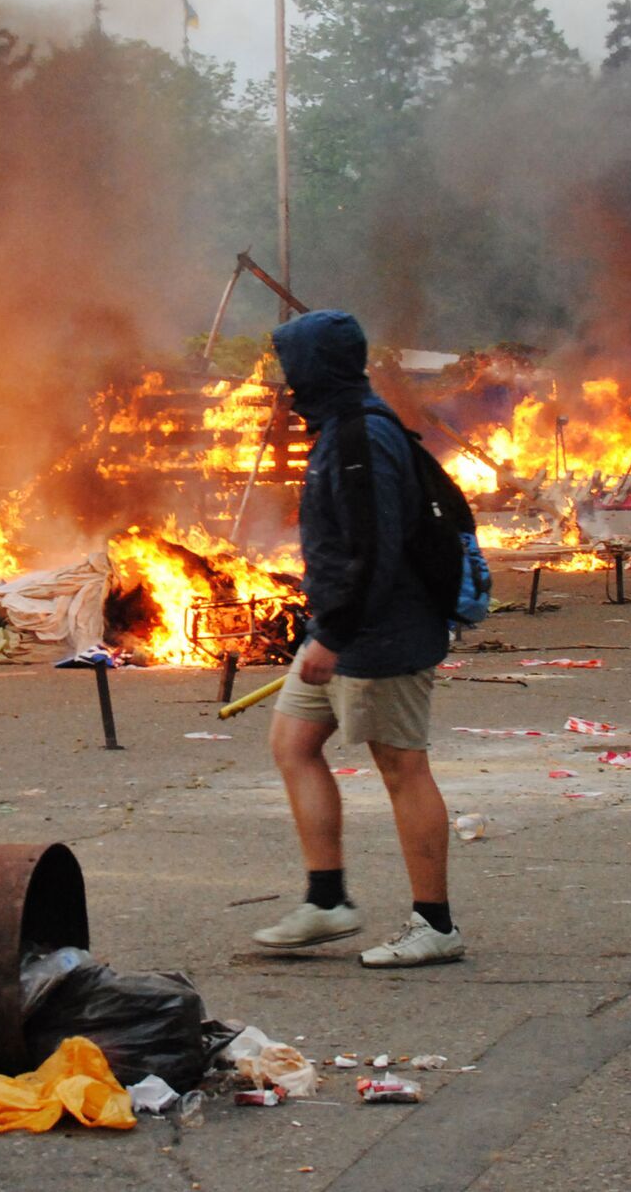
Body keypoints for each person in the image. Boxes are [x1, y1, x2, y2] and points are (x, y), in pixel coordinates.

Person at [252, 310, 463, 967]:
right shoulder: (339, 428)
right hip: (342, 625)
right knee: (292, 742)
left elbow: (376, 546)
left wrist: (334, 636)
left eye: (292, 366)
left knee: (403, 768)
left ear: (317, 367)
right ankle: (326, 900)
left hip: (378, 632)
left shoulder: (359, 438)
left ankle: (436, 924)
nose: (285, 382)